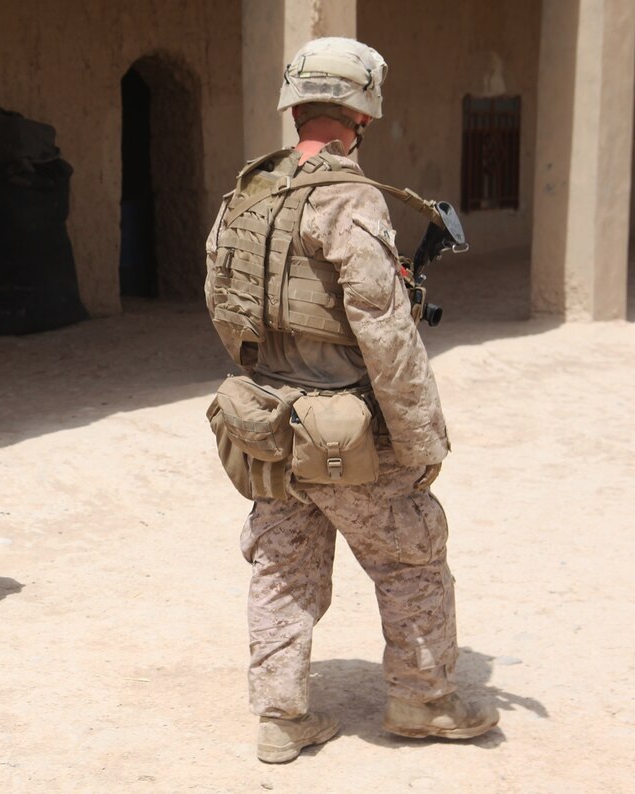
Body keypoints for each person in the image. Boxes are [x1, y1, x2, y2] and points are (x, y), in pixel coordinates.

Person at [204, 37, 499, 764]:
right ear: (362, 114)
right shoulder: (351, 199)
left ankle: (279, 717)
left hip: (271, 424)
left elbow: (224, 299)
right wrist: (422, 439)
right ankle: (423, 702)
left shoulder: (249, 193)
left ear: (295, 104)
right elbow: (386, 330)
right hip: (349, 429)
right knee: (411, 559)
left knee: (282, 566)